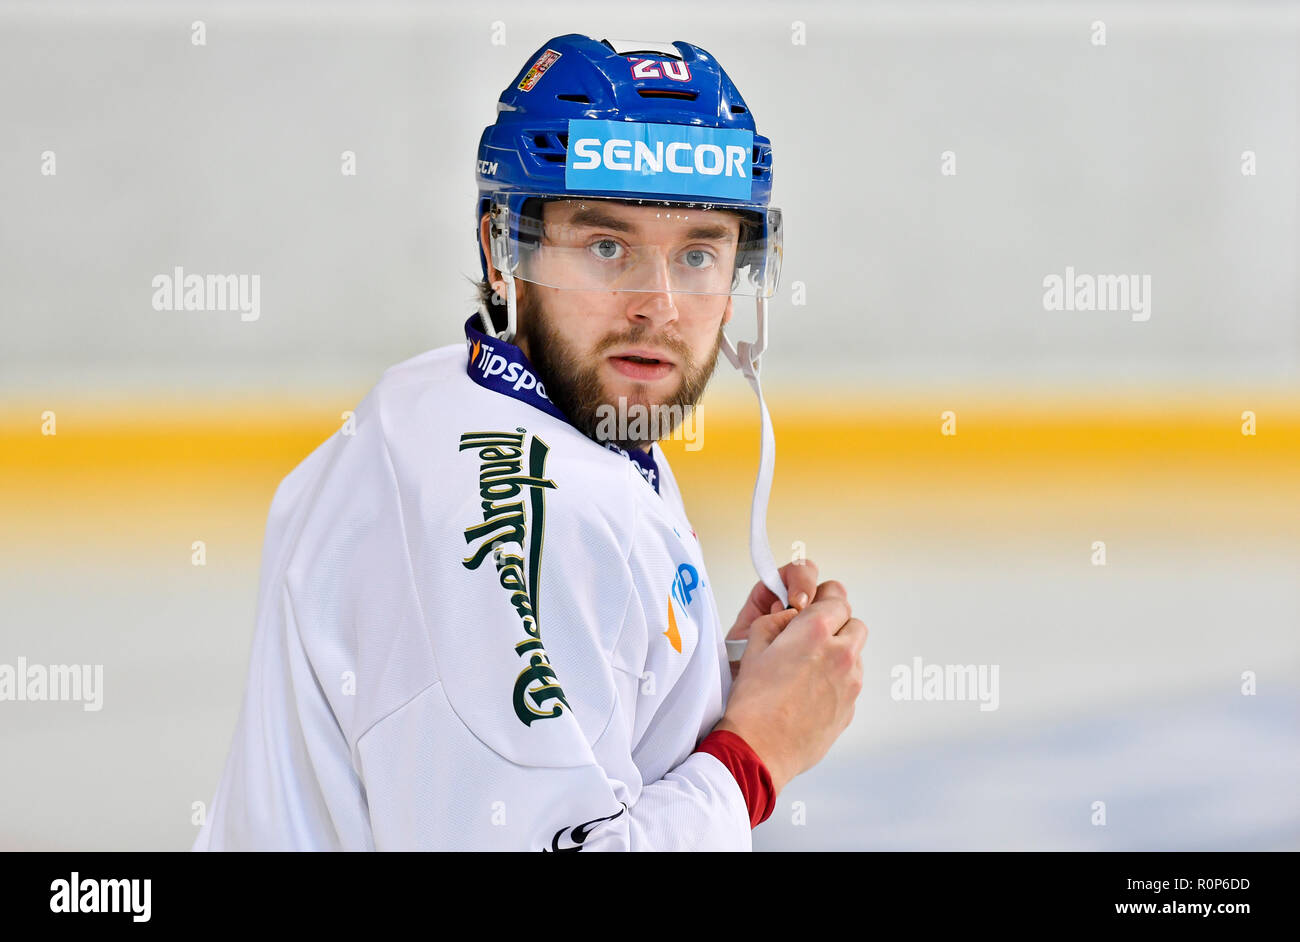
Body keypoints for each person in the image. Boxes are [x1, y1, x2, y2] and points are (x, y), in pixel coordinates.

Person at [193, 33, 865, 852]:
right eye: (606, 247)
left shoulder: (446, 397)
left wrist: (700, 686)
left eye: (698, 254)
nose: (657, 306)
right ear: (500, 249)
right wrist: (755, 753)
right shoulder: (537, 510)